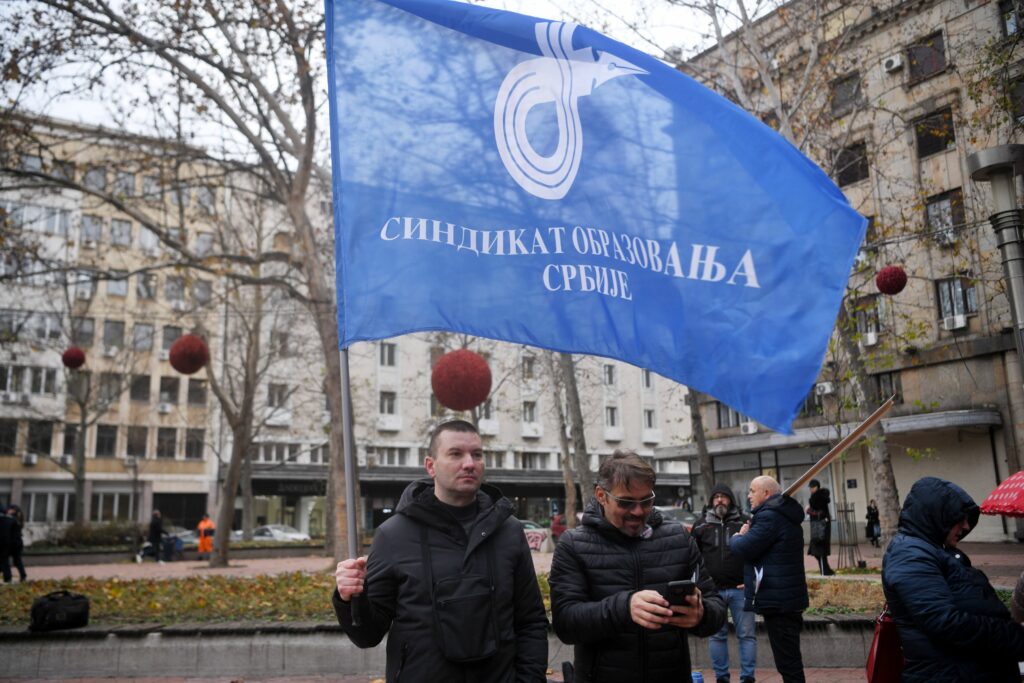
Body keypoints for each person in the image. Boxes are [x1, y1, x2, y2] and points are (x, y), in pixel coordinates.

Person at [333, 420, 548, 683]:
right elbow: (367, 635)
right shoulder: (393, 535)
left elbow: (531, 621)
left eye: (477, 454)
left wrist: (529, 679)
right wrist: (348, 598)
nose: (469, 463)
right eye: (456, 454)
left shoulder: (509, 531)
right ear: (430, 466)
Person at [549, 450, 726, 683]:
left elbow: (716, 607)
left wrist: (701, 615)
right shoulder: (573, 545)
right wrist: (624, 607)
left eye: (646, 501)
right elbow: (565, 623)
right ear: (601, 495)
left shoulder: (678, 539)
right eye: (626, 502)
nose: (638, 511)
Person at [882, 476, 1024, 682]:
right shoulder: (910, 555)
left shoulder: (934, 551)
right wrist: (1014, 636)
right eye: (959, 518)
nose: (966, 526)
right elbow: (944, 621)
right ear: (938, 516)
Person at [730, 475, 808, 683]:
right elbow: (772, 558)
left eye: (752, 490)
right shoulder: (783, 515)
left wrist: (738, 536)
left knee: (788, 664)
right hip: (785, 598)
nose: (748, 496)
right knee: (789, 661)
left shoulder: (770, 517)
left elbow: (744, 548)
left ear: (766, 493)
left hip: (780, 603)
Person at [691, 484, 756, 683]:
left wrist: (750, 580)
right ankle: (721, 678)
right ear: (711, 501)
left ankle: (748, 678)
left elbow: (757, 553)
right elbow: (693, 558)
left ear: (731, 500)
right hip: (712, 592)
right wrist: (698, 585)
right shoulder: (701, 525)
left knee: (746, 636)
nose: (720, 500)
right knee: (716, 636)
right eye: (716, 497)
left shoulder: (746, 523)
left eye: (724, 496)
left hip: (741, 590)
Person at [805, 479, 833, 575]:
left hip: (820, 528)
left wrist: (808, 510)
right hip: (819, 528)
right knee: (819, 552)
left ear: (816, 487)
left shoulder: (818, 498)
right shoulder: (817, 497)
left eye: (812, 487)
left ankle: (825, 571)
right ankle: (826, 570)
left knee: (820, 552)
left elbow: (820, 514)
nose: (810, 489)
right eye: (810, 487)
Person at [6, 504, 26, 582]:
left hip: (13, 543)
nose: (7, 511)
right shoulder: (18, 519)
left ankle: (9, 577)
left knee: (6, 560)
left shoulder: (12, 519)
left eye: (9, 509)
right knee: (17, 561)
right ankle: (23, 575)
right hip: (17, 543)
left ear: (13, 510)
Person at [0, 504, 13, 583]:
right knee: (5, 561)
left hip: (2, 544)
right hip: (6, 544)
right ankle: (8, 578)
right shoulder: (10, 520)